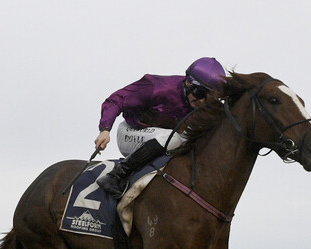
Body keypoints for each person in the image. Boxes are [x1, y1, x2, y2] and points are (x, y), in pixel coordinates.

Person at [94, 57, 227, 198]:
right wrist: (105, 129)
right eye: (199, 93)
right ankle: (116, 176)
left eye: (209, 98)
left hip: (160, 137)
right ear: (188, 82)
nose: (202, 101)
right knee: (175, 138)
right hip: (130, 132)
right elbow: (116, 99)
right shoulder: (158, 87)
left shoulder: (204, 104)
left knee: (190, 138)